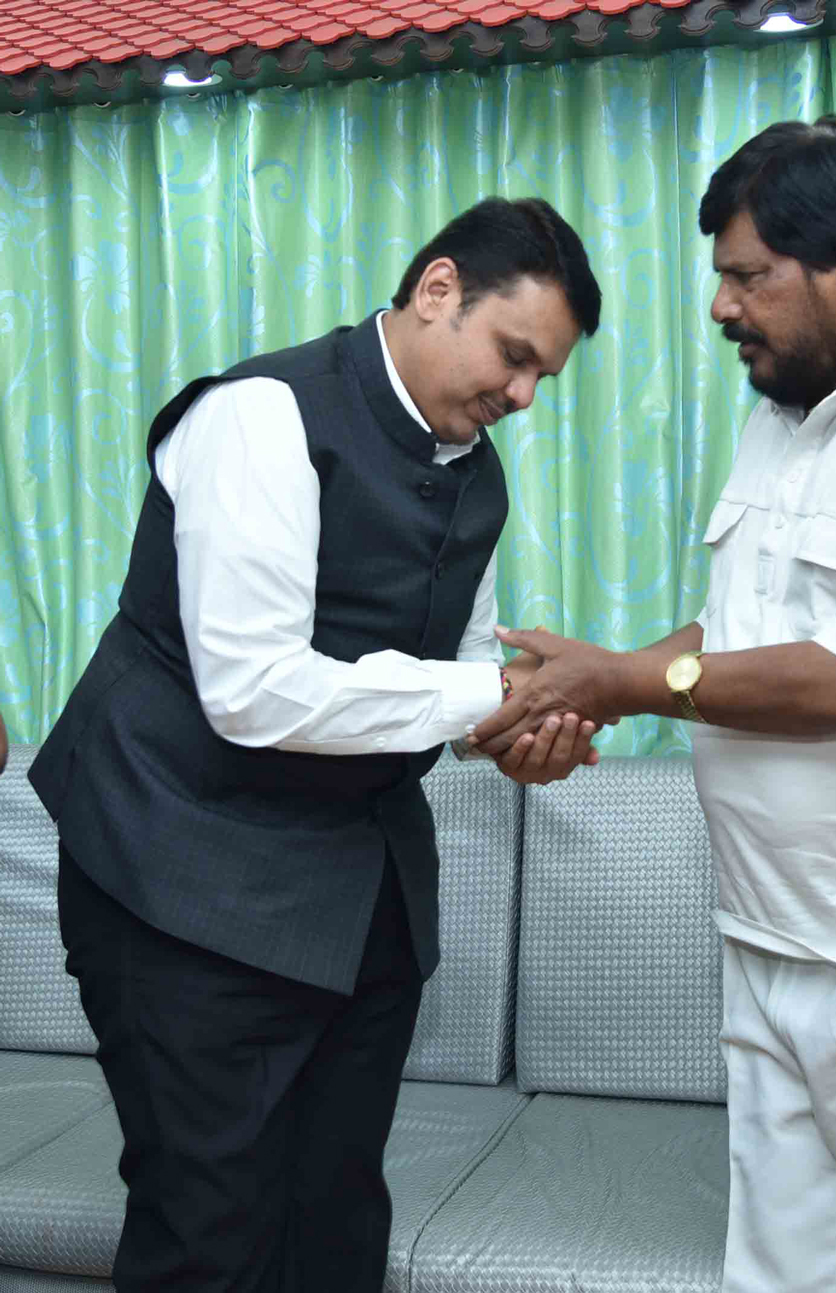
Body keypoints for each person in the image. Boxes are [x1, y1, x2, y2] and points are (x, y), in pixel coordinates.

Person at [470, 118, 836, 1293]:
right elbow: (739, 642)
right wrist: (597, 682)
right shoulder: (778, 418)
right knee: (783, 1274)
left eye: (749, 277)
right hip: (769, 936)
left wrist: (619, 680)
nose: (722, 308)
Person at [28, 196, 602, 1293]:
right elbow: (253, 692)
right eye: (515, 355)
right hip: (178, 875)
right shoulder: (261, 416)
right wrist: (494, 691)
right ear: (437, 289)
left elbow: (453, 675)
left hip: (362, 901)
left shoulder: (476, 472)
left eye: (545, 377)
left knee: (337, 1222)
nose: (526, 395)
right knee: (210, 1232)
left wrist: (519, 730)